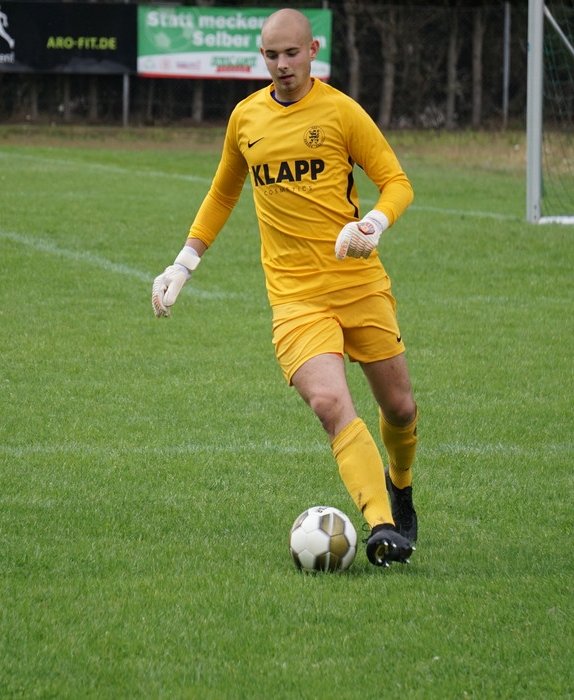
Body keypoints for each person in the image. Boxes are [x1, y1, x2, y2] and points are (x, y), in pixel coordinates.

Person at [151, 8, 418, 567]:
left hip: (359, 283)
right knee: (328, 403)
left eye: (291, 53)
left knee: (399, 409)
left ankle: (400, 483)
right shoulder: (246, 118)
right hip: (295, 297)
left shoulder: (341, 112)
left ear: (313, 50)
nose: (281, 65)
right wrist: (183, 264)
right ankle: (382, 525)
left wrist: (373, 224)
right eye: (271, 55)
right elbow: (223, 194)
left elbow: (396, 182)